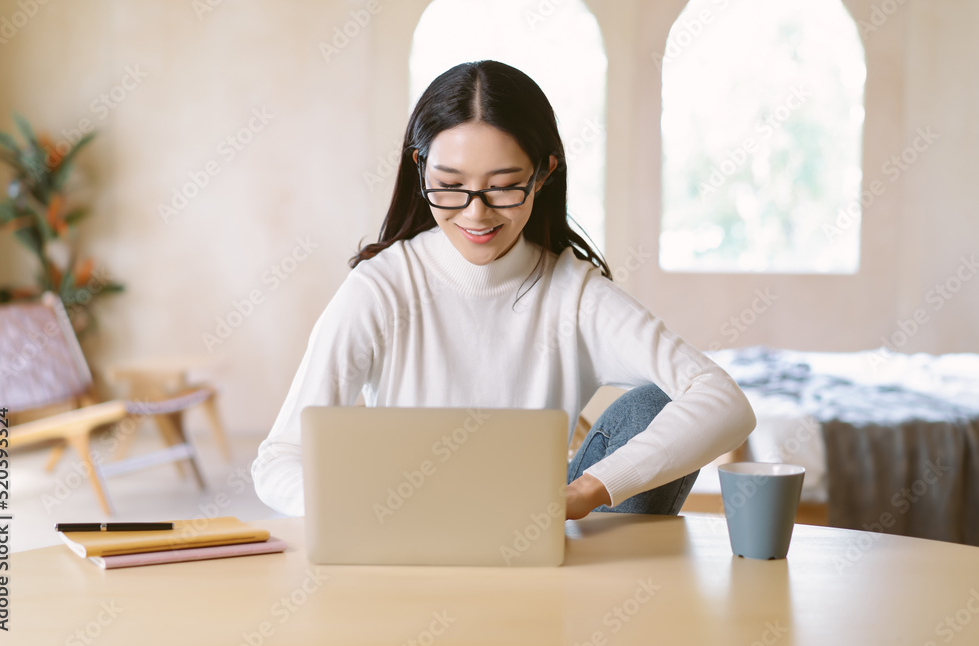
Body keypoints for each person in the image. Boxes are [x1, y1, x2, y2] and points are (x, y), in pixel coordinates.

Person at [251, 60, 755, 520]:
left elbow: (724, 401)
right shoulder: (381, 288)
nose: (476, 213)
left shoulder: (573, 293)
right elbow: (279, 459)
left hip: (534, 523)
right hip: (406, 521)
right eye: (450, 184)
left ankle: (598, 588)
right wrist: (359, 513)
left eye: (503, 186)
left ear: (543, 174)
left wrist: (586, 492)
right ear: (419, 168)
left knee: (651, 406)